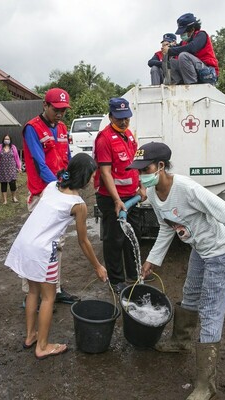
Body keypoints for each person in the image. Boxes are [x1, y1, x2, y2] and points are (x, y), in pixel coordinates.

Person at [128, 142, 225, 400]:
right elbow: (166, 227)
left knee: (211, 310)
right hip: (199, 249)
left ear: (160, 166)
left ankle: (206, 384)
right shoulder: (155, 194)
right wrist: (153, 259)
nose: (141, 175)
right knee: (190, 293)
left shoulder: (187, 189)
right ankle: (180, 341)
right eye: (137, 171)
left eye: (144, 169)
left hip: (220, 252)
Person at [5, 153, 108, 359]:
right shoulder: (78, 204)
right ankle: (42, 346)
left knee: (33, 292)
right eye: (91, 175)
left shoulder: (52, 186)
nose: (91, 179)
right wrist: (97, 266)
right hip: (43, 251)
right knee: (49, 297)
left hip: (25, 243)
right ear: (83, 176)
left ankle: (30, 336)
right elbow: (83, 241)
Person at [21, 87, 78, 304]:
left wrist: (69, 182)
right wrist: (58, 186)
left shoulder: (62, 128)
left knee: (58, 243)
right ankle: (30, 294)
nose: (60, 113)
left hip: (60, 191)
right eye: (56, 109)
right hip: (42, 194)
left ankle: (55, 288)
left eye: (64, 110)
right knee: (37, 244)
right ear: (45, 105)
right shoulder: (32, 128)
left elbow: (68, 158)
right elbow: (39, 162)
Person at [94, 97, 146, 294]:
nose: (123, 122)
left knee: (133, 236)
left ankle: (134, 274)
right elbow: (106, 172)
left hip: (131, 196)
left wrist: (141, 186)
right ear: (110, 116)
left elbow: (136, 164)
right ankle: (116, 280)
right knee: (114, 238)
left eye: (126, 118)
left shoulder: (129, 136)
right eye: (119, 119)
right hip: (111, 198)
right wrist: (116, 200)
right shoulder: (104, 139)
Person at [164, 13, 219, 85]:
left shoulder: (201, 35)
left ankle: (191, 85)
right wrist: (169, 48)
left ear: (192, 29)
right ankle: (180, 83)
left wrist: (171, 50)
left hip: (208, 72)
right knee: (172, 62)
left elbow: (192, 48)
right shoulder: (184, 42)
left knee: (183, 56)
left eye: (184, 32)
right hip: (195, 71)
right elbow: (177, 48)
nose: (182, 35)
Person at [0, 134, 21, 204]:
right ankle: (4, 200)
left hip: (11, 168)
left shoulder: (13, 147)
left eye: (8, 139)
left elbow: (17, 158)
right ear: (3, 139)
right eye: (5, 139)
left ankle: (14, 197)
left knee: (12, 183)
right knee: (3, 184)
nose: (7, 140)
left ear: (10, 140)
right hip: (2, 169)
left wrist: (19, 167)